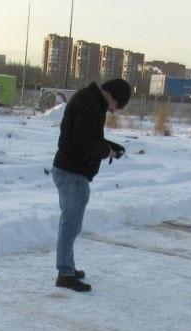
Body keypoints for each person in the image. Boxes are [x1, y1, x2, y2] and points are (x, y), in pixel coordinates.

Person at [51, 78, 131, 292]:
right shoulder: (90, 104)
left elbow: (86, 137)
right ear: (112, 96)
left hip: (69, 169)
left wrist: (107, 146)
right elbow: (84, 140)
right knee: (71, 225)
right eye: (117, 105)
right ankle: (65, 274)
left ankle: (67, 266)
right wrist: (106, 151)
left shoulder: (90, 100)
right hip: (72, 173)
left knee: (70, 224)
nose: (114, 111)